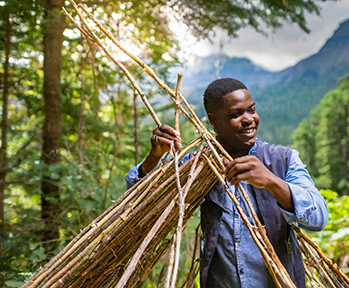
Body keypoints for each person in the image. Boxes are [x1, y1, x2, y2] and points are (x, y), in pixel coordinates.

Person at [126, 78, 328, 288]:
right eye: (235, 115)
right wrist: (154, 156)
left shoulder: (283, 159)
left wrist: (271, 181)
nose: (249, 119)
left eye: (251, 110)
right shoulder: (197, 164)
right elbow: (137, 201)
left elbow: (318, 218)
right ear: (213, 120)